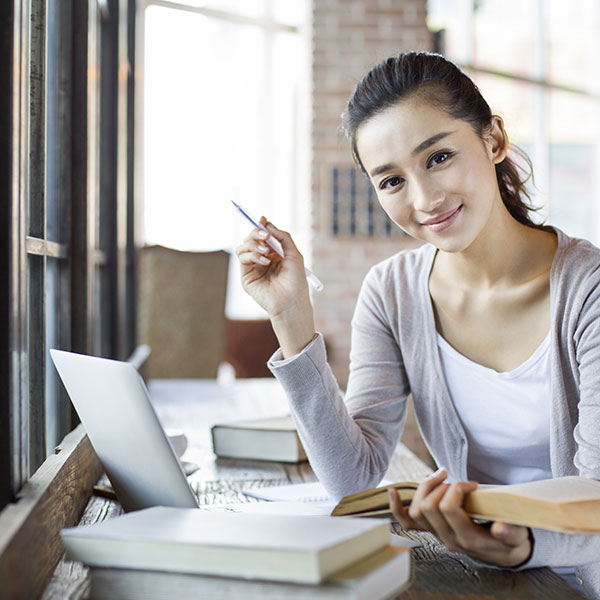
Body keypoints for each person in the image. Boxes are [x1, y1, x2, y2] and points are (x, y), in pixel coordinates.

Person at [234, 52, 600, 598]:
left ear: (494, 139)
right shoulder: (392, 292)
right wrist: (291, 318)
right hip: (486, 577)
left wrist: (522, 544)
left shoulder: (588, 290)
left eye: (440, 157)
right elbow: (352, 477)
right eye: (391, 181)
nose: (424, 201)